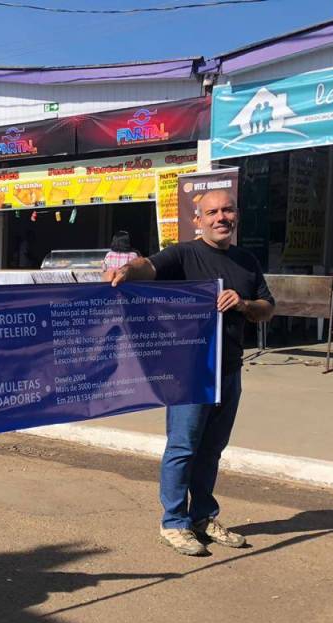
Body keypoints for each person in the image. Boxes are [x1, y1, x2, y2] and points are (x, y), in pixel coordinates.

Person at [104, 190, 275, 557]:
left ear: (236, 215)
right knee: (183, 447)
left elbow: (267, 307)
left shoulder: (246, 261)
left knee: (212, 449)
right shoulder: (183, 255)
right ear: (198, 220)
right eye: (211, 212)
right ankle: (173, 522)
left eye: (227, 210)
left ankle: (202, 517)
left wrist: (244, 303)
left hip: (229, 370)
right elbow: (147, 267)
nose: (220, 218)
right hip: (188, 372)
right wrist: (125, 271)